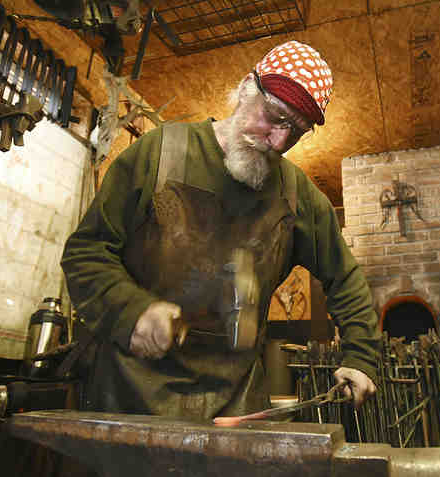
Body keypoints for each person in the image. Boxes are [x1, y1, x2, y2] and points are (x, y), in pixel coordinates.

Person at [61, 40, 381, 420]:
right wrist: (130, 311)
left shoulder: (299, 198)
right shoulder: (160, 153)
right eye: (274, 117)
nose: (279, 141)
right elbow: (86, 252)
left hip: (235, 405)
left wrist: (360, 356)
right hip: (128, 396)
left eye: (296, 131)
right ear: (247, 86)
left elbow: (345, 278)